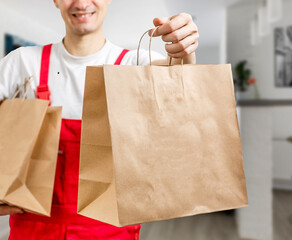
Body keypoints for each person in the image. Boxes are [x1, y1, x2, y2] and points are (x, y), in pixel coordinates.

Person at [0, 0, 199, 239]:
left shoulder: (134, 64)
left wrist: (185, 52)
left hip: (111, 232)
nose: (82, 3)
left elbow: (180, 88)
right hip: (33, 230)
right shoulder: (21, 63)